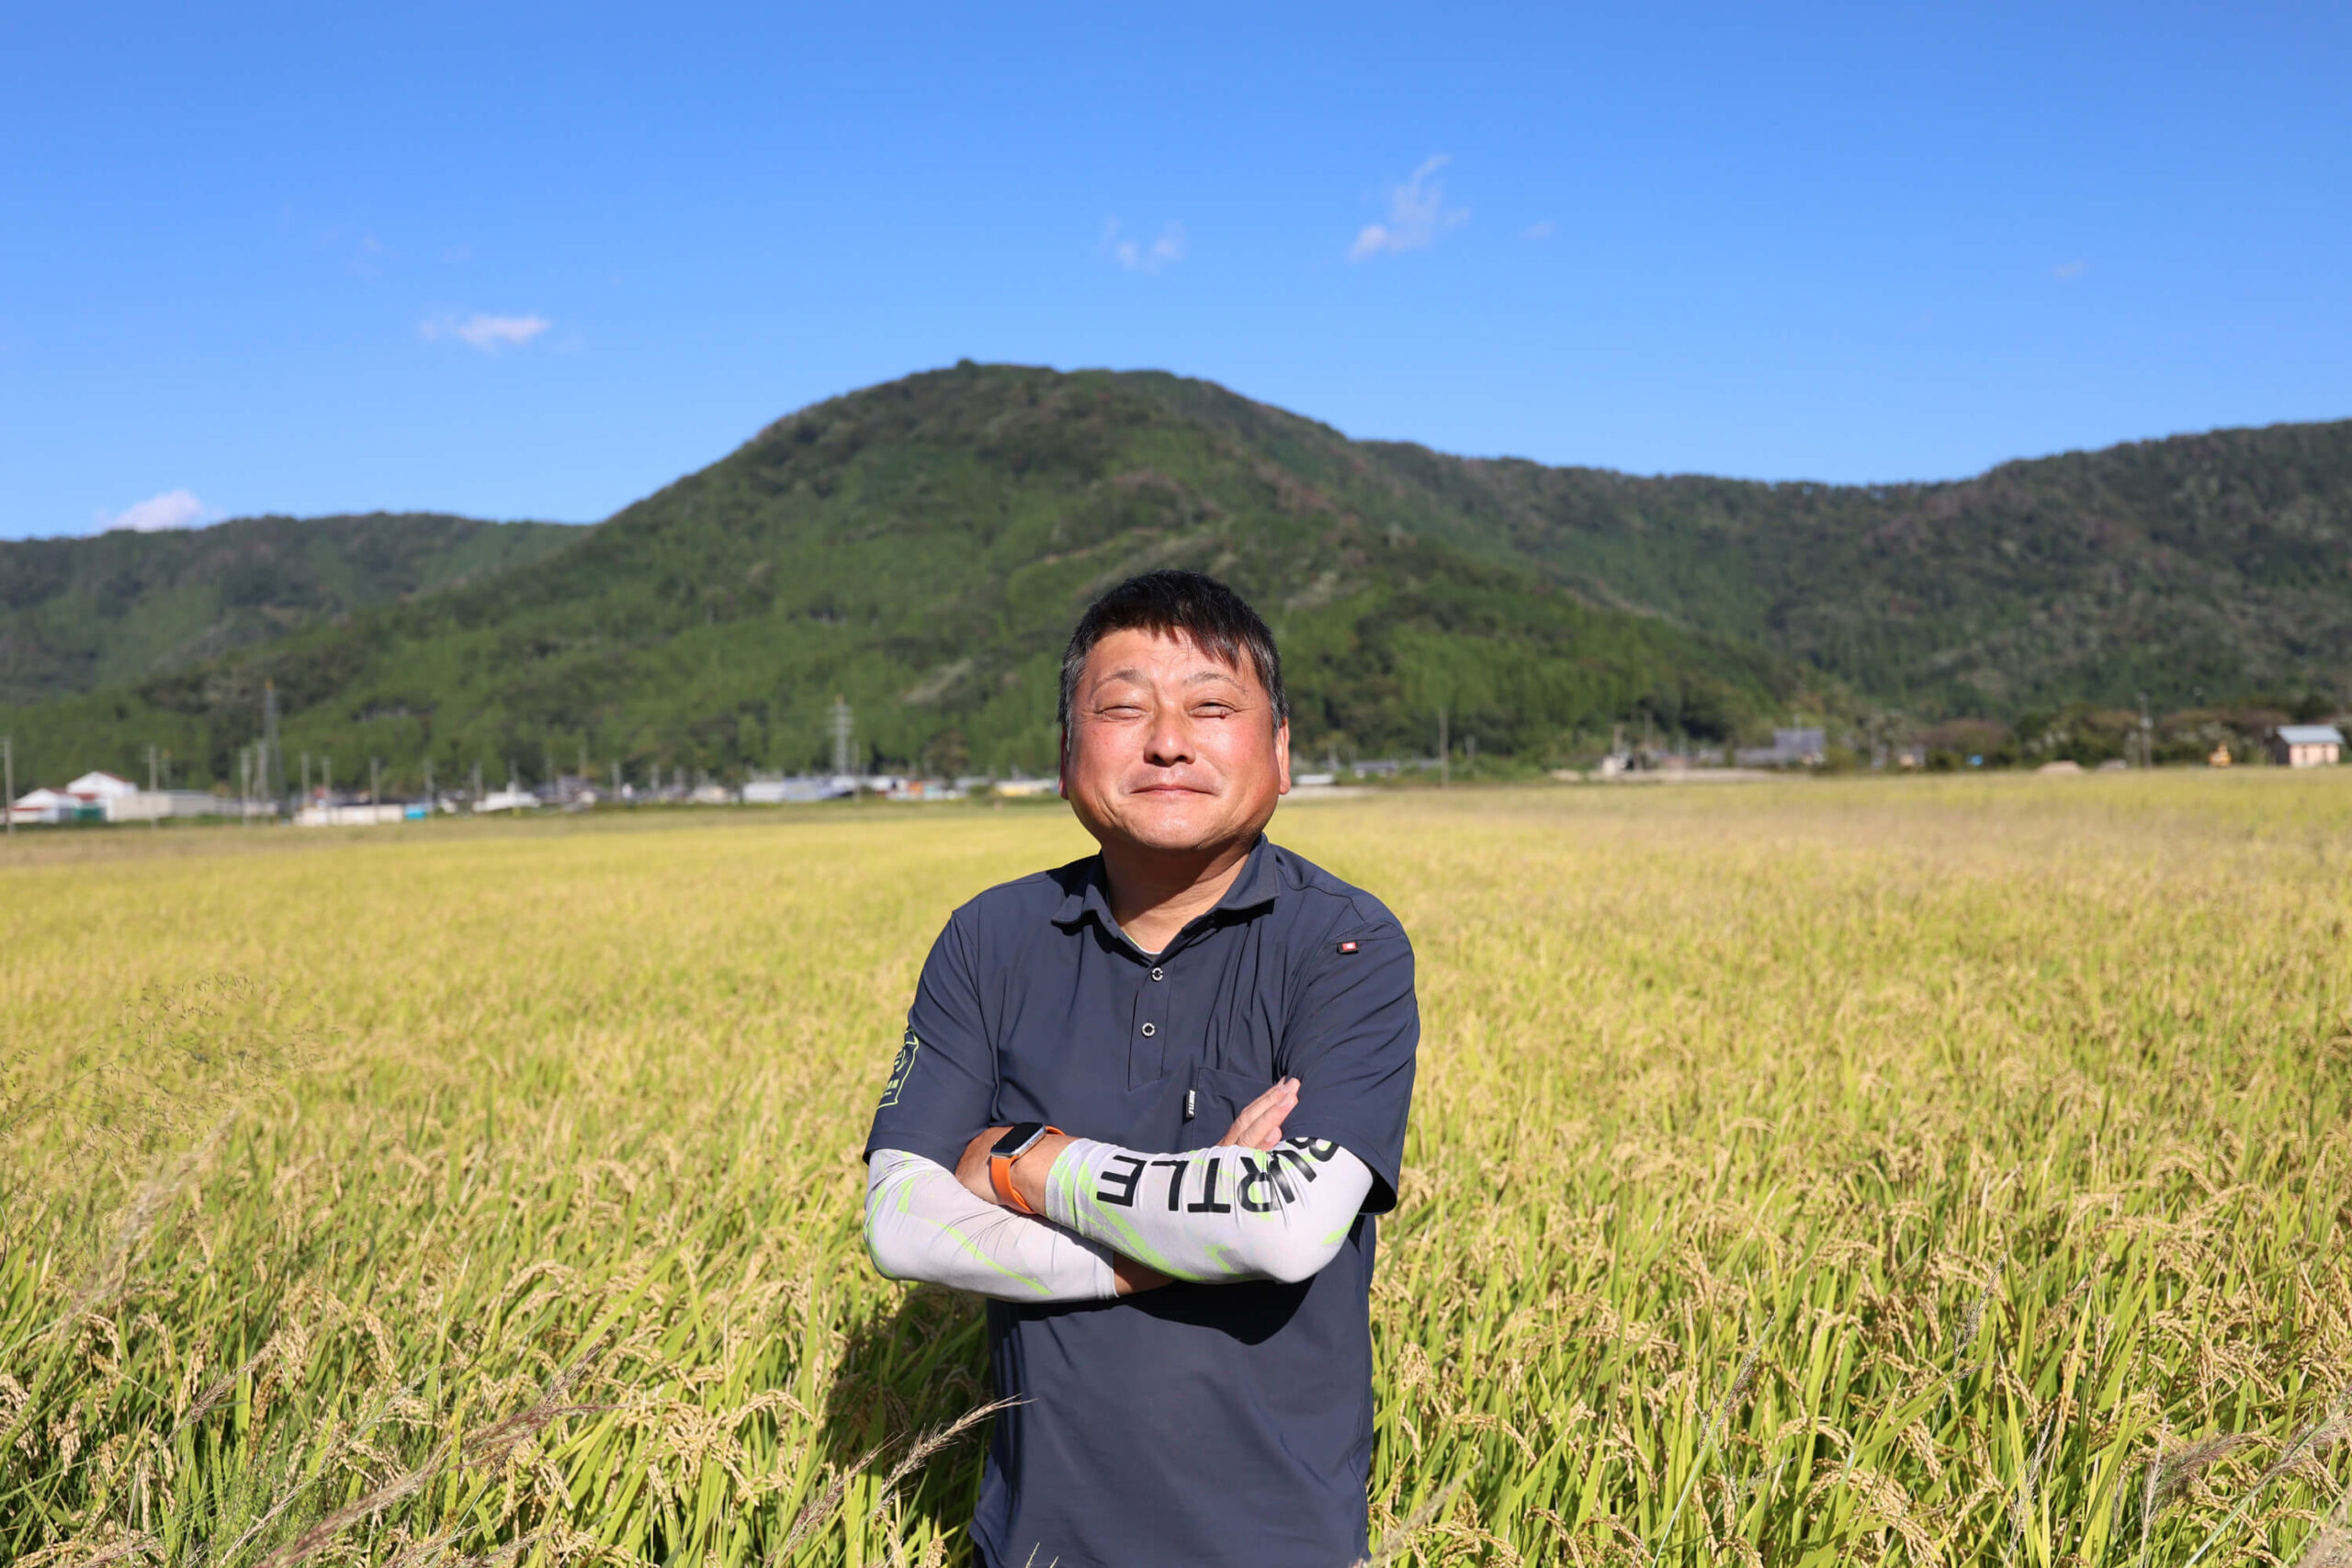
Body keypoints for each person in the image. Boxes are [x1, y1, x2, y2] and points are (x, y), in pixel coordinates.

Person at [860, 569, 1419, 1568]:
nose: (1167, 740)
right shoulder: (990, 939)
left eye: (1212, 707)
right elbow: (902, 1224)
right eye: (1122, 709)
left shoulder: (1345, 945)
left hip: (1276, 1547)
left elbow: (1285, 1225)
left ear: (1281, 751)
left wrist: (1030, 1162)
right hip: (1031, 1543)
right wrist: (1181, 1233)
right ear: (1065, 755)